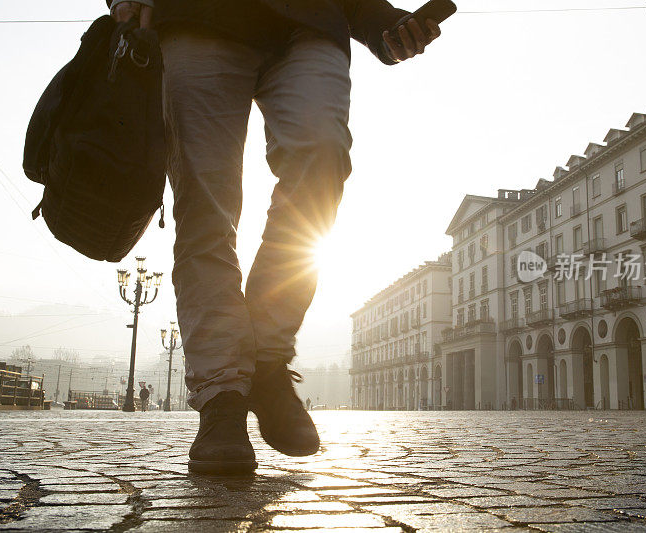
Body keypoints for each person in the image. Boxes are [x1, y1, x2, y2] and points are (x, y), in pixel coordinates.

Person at [108, 0, 442, 475]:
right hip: (197, 16)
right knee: (205, 203)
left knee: (322, 158)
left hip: (312, 23)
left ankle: (267, 360)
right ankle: (222, 392)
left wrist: (387, 24)